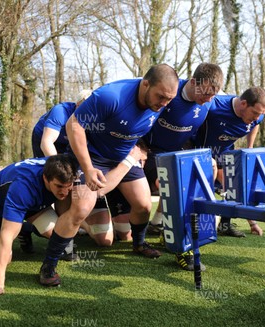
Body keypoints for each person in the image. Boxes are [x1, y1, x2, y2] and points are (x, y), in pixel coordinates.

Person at [36, 63, 179, 287]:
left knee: (142, 204)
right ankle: (49, 265)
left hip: (123, 156)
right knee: (81, 208)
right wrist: (88, 167)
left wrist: (140, 151)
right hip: (92, 157)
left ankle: (139, 244)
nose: (164, 103)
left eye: (169, 99)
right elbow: (75, 125)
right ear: (145, 84)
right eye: (161, 97)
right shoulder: (111, 96)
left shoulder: (162, 101)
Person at [136, 62, 224, 271]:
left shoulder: (210, 101)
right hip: (151, 152)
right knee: (172, 183)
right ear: (193, 82)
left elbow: (233, 107)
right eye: (206, 93)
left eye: (213, 95)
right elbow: (138, 116)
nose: (209, 100)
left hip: (179, 153)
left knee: (208, 166)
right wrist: (138, 145)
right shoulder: (168, 94)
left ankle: (167, 229)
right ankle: (179, 244)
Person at [0, 154, 79, 302]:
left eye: (68, 187)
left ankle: (24, 228)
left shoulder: (63, 167)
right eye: (59, 186)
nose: (64, 192)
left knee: (59, 235)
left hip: (30, 204)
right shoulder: (23, 187)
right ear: (45, 178)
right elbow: (6, 235)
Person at [193, 86, 265, 238]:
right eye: (255, 113)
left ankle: (225, 224)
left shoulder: (258, 115)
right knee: (199, 190)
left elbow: (256, 124)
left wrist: (250, 146)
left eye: (260, 114)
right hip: (201, 152)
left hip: (225, 154)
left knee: (233, 187)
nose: (257, 117)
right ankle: (181, 226)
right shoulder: (214, 106)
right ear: (243, 104)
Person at [31, 89, 93, 157]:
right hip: (43, 136)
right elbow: (47, 142)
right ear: (78, 105)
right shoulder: (60, 112)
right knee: (47, 165)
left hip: (66, 140)